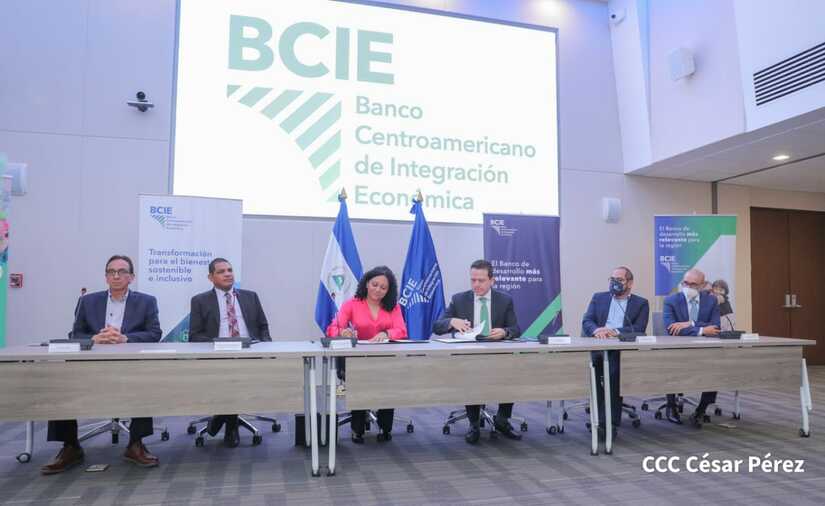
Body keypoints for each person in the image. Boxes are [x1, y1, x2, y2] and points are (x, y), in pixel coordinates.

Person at [41, 255, 162, 475]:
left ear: (131, 277)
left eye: (122, 272)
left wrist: (125, 338)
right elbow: (75, 334)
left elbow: (154, 334)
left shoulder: (147, 301)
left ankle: (135, 444)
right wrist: (94, 339)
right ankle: (70, 446)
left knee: (145, 378)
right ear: (106, 276)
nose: (116, 276)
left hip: (130, 362)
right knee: (61, 379)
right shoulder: (88, 301)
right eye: (111, 272)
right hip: (92, 362)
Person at [432, 259, 521, 444]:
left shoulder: (504, 300)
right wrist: (451, 322)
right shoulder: (459, 299)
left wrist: (504, 332)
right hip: (469, 356)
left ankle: (502, 420)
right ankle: (473, 424)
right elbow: (437, 327)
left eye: (481, 280)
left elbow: (515, 329)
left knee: (511, 372)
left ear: (492, 281)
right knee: (471, 373)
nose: (476, 285)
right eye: (473, 280)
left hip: (497, 355)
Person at [188, 257, 271, 447]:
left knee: (238, 377)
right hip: (217, 356)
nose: (227, 274)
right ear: (211, 277)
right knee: (230, 377)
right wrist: (220, 345)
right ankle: (231, 425)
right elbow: (194, 335)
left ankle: (220, 418)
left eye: (229, 270)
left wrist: (266, 347)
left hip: (249, 353)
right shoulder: (200, 301)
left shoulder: (250, 297)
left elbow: (263, 326)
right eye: (221, 271)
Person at [327, 265, 407, 443]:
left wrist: (386, 333)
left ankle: (385, 428)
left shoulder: (393, 307)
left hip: (385, 359)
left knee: (388, 383)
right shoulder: (352, 304)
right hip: (357, 359)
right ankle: (357, 429)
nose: (378, 290)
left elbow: (401, 330)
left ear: (388, 290)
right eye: (374, 284)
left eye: (383, 287)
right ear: (366, 283)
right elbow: (332, 328)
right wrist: (343, 332)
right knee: (360, 380)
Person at [581, 266, 649, 439]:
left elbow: (639, 328)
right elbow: (587, 321)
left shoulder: (641, 303)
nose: (614, 283)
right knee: (594, 372)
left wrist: (615, 332)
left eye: (619, 280)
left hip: (621, 349)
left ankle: (608, 423)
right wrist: (596, 330)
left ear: (630, 283)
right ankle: (599, 418)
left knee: (613, 373)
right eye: (612, 279)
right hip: (598, 345)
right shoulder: (599, 297)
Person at [663, 268, 721, 426]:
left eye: (693, 284)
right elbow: (671, 328)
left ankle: (701, 410)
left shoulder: (711, 301)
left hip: (705, 348)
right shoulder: (671, 300)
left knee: (716, 366)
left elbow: (715, 328)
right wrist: (702, 329)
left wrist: (691, 323)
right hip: (677, 348)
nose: (688, 287)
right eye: (685, 283)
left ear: (703, 285)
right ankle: (671, 405)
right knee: (669, 364)